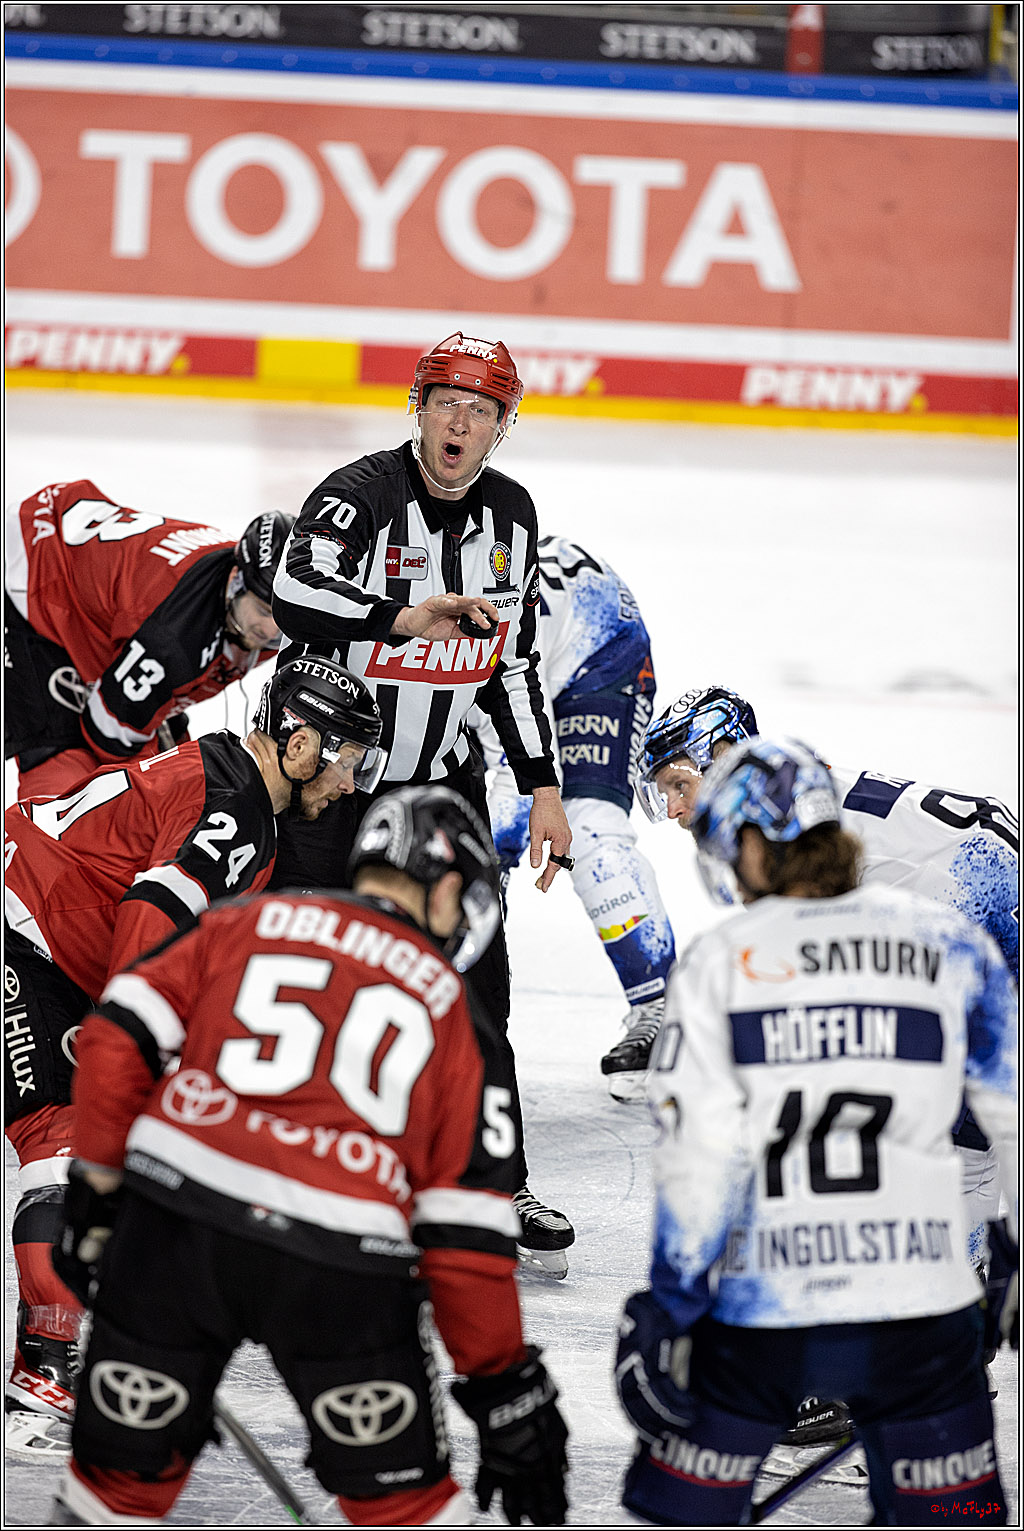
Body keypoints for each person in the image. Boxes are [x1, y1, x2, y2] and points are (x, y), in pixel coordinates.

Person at [49, 787, 570, 1528]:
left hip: (173, 1227)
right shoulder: (453, 1007)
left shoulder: (246, 918)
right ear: (448, 883)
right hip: (341, 1262)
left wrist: (97, 1195)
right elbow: (464, 1235)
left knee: (112, 1493)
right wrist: (504, 1385)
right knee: (405, 1505)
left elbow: (114, 1035)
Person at [615, 736, 1018, 1526]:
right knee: (953, 1513)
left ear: (760, 846)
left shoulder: (721, 968)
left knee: (679, 1508)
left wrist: (667, 1313)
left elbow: (702, 1174)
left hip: (774, 1312)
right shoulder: (946, 947)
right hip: (925, 1315)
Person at [3, 656, 384, 1457]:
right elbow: (150, 916)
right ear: (301, 739)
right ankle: (43, 1380)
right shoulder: (241, 808)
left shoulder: (241, 794)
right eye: (349, 757)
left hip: (47, 939)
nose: (352, 781)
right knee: (65, 1144)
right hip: (26, 933)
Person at [270, 332, 575, 1271]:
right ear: (419, 406)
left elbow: (510, 664)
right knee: (312, 978)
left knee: (478, 986)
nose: (460, 420)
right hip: (334, 783)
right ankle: (285, 1172)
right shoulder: (356, 496)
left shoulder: (515, 517)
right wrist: (401, 617)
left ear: (501, 427)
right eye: (446, 400)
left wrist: (544, 786)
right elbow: (290, 589)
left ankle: (493, 1179)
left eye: (481, 409)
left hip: (445, 786)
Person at [637, 683, 1018, 1269]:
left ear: (722, 755)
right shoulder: (803, 796)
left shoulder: (777, 832)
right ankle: (969, 1298)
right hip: (979, 910)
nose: (673, 810)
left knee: (967, 1127)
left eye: (678, 785)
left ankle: (968, 1297)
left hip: (989, 917)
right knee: (966, 1131)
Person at [470, 534, 675, 1102]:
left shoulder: (474, 655)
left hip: (599, 642)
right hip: (526, 645)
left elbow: (517, 796)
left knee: (584, 829)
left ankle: (660, 1006)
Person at [4, 477, 293, 798]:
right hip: (30, 574)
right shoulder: (172, 640)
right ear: (237, 580)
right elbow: (108, 735)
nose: (272, 632)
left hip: (82, 572)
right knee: (62, 762)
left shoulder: (242, 594)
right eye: (265, 611)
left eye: (284, 617)